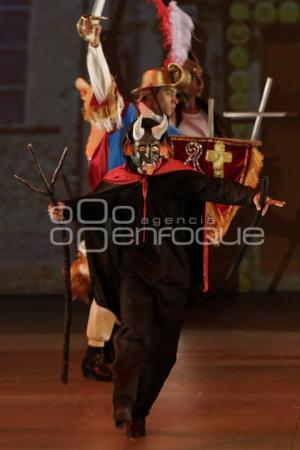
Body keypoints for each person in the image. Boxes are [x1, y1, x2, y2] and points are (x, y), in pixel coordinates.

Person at [49, 116, 285, 438]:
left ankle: (139, 410)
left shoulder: (178, 177)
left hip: (172, 272)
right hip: (135, 269)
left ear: (161, 147)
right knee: (134, 335)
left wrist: (252, 197)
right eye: (141, 146)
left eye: (154, 145)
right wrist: (66, 209)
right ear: (131, 147)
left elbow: (216, 187)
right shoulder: (119, 180)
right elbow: (94, 205)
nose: (148, 152)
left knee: (164, 351)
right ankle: (124, 402)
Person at [75, 14, 189, 383]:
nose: (176, 98)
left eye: (176, 93)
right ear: (150, 96)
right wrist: (95, 45)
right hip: (116, 216)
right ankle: (97, 352)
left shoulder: (171, 133)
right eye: (170, 92)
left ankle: (119, 346)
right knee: (116, 280)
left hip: (149, 220)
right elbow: (104, 84)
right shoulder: (124, 117)